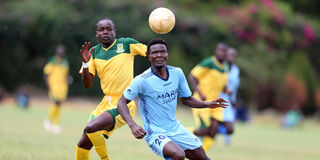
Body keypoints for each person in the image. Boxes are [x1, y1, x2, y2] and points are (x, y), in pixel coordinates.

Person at [117, 38, 228, 160]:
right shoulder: (141, 80)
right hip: (155, 133)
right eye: (154, 52)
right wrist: (132, 125)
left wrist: (207, 104)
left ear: (167, 55)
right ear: (148, 56)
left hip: (176, 128)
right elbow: (121, 102)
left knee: (203, 157)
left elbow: (187, 99)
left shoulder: (177, 73)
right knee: (178, 155)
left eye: (162, 51)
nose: (159, 55)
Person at [75, 18, 147, 160]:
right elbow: (87, 84)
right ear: (97, 34)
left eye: (109, 29)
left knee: (91, 127)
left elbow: (151, 53)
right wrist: (85, 64)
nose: (105, 32)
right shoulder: (93, 53)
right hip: (105, 103)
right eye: (101, 29)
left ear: (115, 31)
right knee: (82, 144)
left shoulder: (126, 44)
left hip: (124, 102)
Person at [188, 43, 228, 151]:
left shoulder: (225, 67)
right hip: (202, 101)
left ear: (226, 53)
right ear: (216, 51)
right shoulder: (209, 62)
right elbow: (192, 76)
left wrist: (226, 90)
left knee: (214, 130)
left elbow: (221, 84)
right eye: (219, 50)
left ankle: (202, 155)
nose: (221, 53)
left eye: (224, 51)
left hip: (216, 102)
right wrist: (199, 92)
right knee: (205, 129)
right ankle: (181, 133)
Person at [43, 45, 70, 134]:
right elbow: (46, 74)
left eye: (62, 51)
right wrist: (48, 85)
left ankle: (54, 124)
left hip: (62, 87)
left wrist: (68, 79)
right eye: (59, 51)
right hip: (53, 85)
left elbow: (66, 75)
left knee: (59, 105)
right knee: (56, 103)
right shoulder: (52, 61)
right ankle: (49, 121)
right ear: (57, 52)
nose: (61, 52)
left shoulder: (65, 63)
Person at [218, 48, 240, 145]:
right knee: (211, 122)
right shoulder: (220, 67)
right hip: (217, 98)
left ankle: (214, 133)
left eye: (234, 56)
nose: (232, 57)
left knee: (230, 128)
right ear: (225, 56)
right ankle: (205, 135)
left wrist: (234, 100)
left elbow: (234, 87)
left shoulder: (236, 70)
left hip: (229, 100)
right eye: (230, 55)